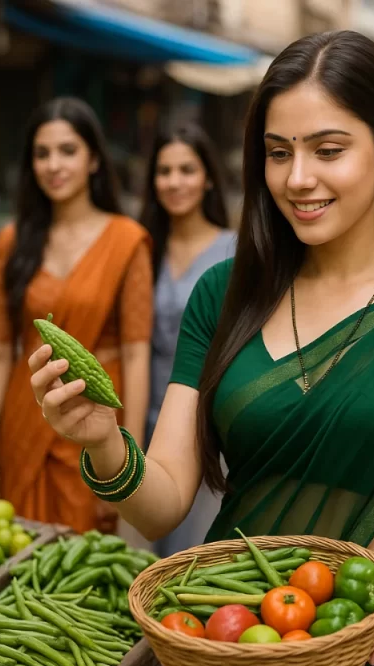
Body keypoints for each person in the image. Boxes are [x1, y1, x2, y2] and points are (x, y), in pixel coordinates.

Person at [30, 31, 374, 666]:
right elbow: (163, 502)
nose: (298, 178)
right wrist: (104, 443)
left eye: (328, 150)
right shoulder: (223, 297)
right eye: (278, 153)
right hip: (241, 638)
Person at [0, 97, 153, 533]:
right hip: (25, 416)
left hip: (94, 419)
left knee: (83, 568)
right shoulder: (12, 242)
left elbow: (137, 354)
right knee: (15, 556)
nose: (54, 164)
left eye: (67, 151)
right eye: (42, 153)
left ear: (92, 159)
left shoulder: (127, 240)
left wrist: (130, 463)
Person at [138, 122, 236, 557]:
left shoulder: (235, 249)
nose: (175, 182)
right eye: (164, 171)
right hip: (148, 414)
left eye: (187, 169)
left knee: (198, 549)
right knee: (157, 535)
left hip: (208, 420)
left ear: (209, 176)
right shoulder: (142, 248)